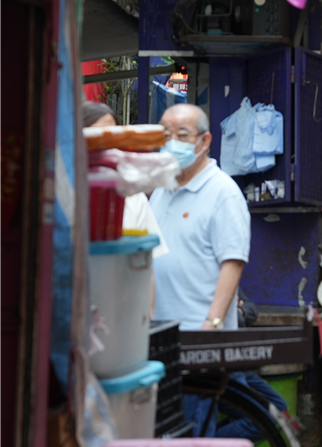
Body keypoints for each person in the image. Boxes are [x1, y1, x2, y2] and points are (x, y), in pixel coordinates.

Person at [149, 103, 250, 331]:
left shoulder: (224, 192)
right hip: (160, 332)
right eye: (166, 135)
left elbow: (232, 263)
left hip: (201, 333)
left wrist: (213, 323)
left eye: (182, 135)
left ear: (204, 141)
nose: (172, 143)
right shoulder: (160, 190)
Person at [82, 101, 170, 299]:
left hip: (120, 307)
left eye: (112, 137)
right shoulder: (59, 190)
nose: (105, 147)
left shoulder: (132, 195)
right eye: (96, 136)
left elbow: (147, 271)